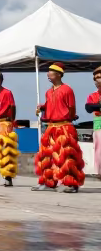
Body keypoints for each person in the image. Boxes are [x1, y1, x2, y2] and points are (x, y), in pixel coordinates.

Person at [33, 64, 84, 193]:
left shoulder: (67, 89)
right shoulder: (48, 92)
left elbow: (71, 108)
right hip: (51, 127)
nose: (48, 74)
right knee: (46, 156)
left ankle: (71, 184)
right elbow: (51, 104)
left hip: (64, 126)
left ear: (59, 74)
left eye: (51, 71)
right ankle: (48, 182)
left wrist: (69, 117)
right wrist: (42, 107)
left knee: (67, 156)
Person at [86, 67, 101, 183]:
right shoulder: (93, 95)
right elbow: (88, 108)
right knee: (99, 150)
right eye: (96, 78)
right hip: (99, 124)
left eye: (100, 77)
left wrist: (96, 106)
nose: (98, 80)